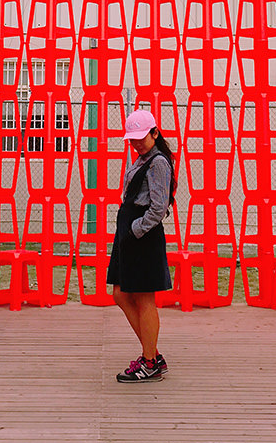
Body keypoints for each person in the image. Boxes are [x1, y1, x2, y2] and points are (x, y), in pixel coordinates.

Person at [107, 108, 177, 383]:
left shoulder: (158, 162)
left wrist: (136, 229)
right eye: (133, 139)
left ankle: (149, 362)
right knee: (120, 293)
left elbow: (159, 206)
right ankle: (153, 355)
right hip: (130, 235)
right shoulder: (143, 158)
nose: (136, 143)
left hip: (142, 236)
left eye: (141, 137)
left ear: (155, 133)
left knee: (145, 299)